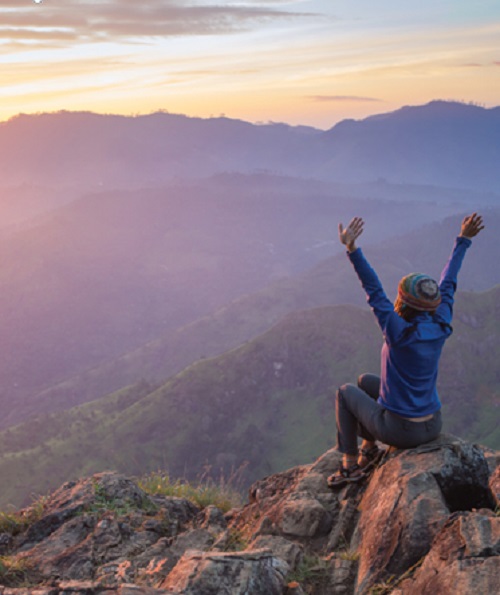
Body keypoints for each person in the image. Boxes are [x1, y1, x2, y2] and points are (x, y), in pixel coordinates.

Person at [327, 213, 485, 488]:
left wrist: (352, 248)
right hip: (432, 423)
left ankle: (349, 467)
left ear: (402, 302)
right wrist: (463, 240)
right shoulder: (440, 323)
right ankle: (369, 448)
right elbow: (448, 284)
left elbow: (373, 288)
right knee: (365, 381)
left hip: (401, 430)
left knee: (345, 392)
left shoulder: (397, 331)